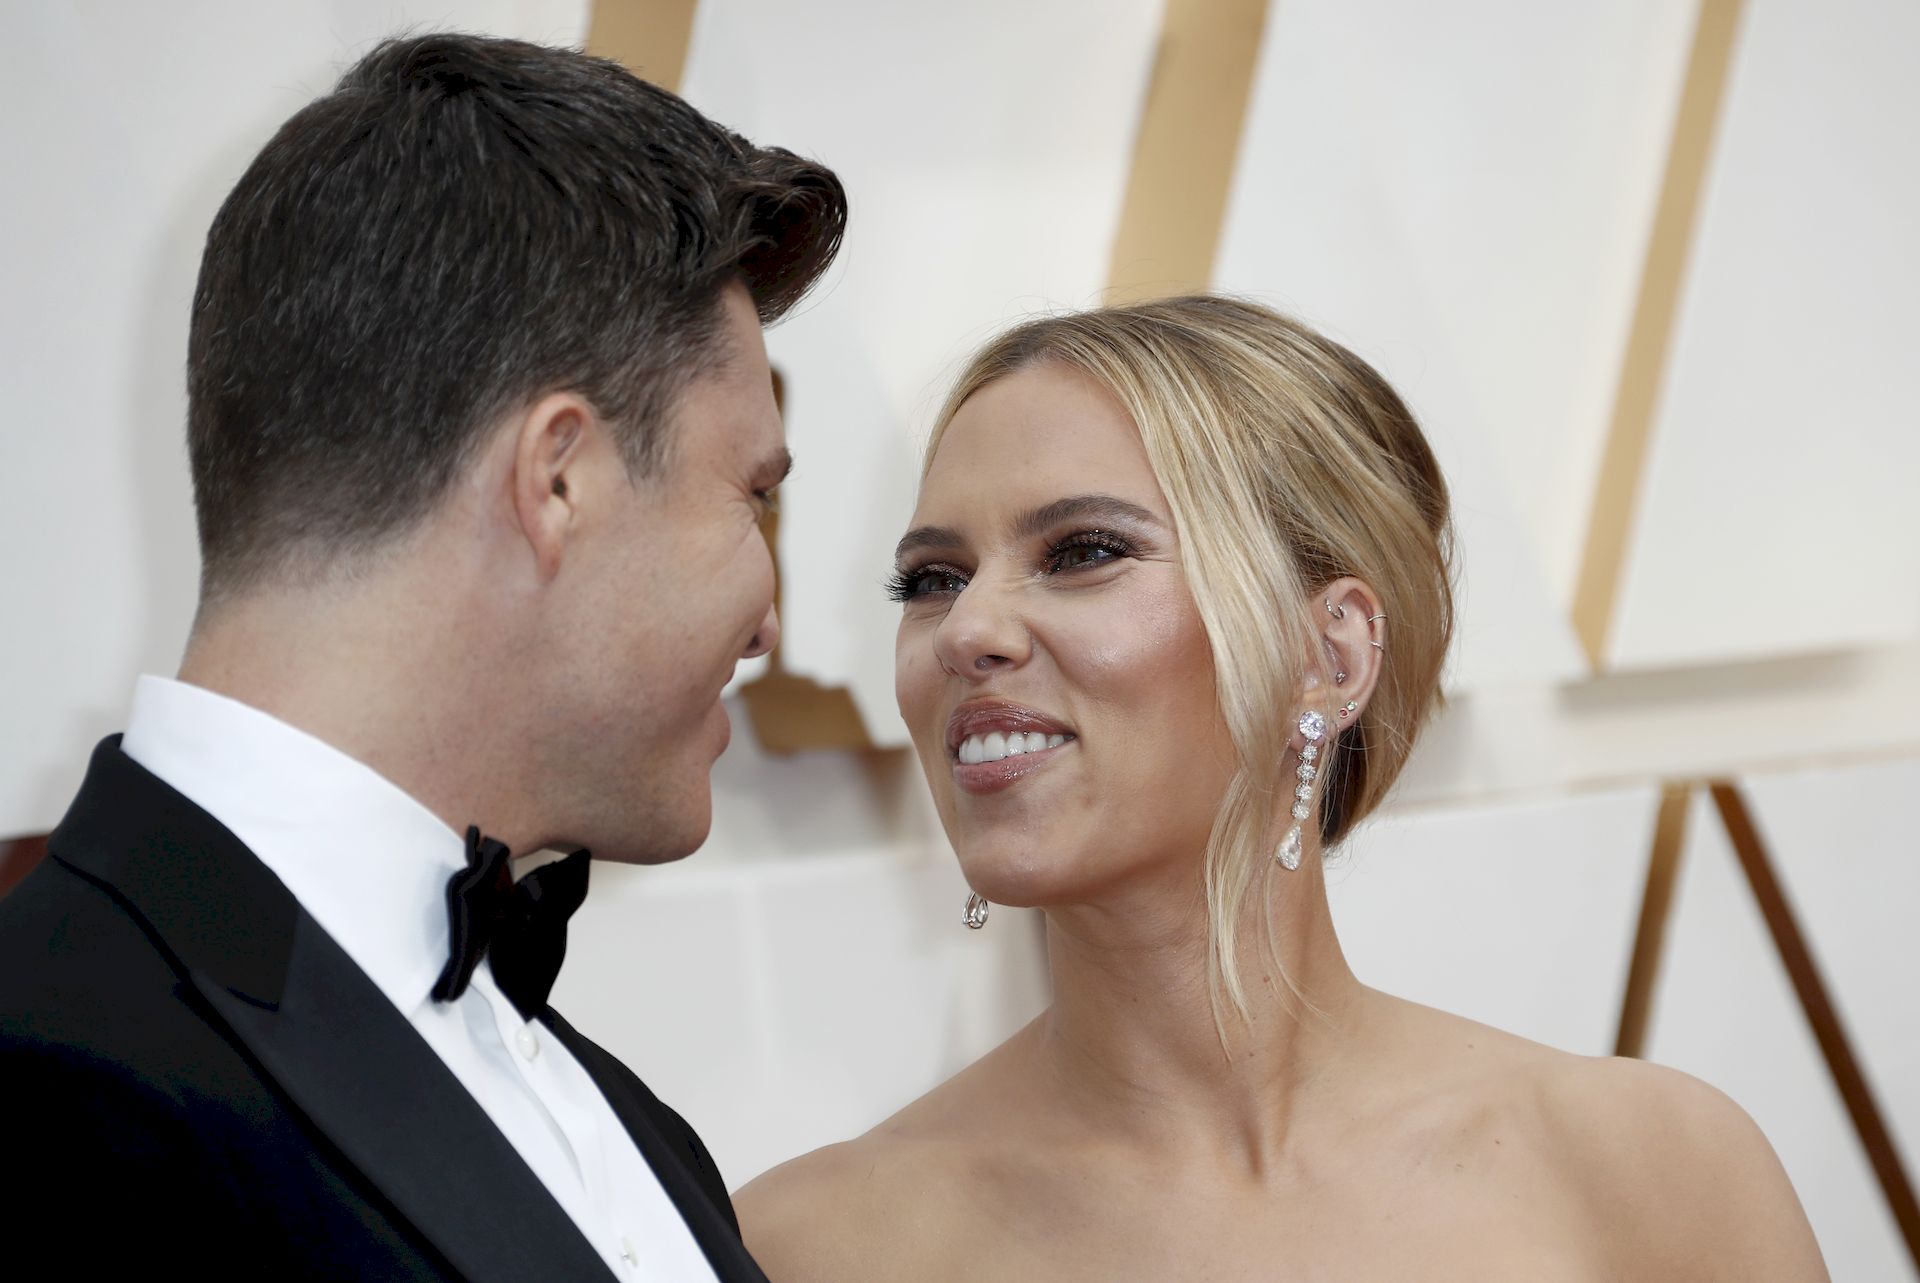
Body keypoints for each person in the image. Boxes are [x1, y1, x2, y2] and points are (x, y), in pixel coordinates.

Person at [734, 295, 1829, 1281]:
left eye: (1081, 551)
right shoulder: (809, 1245)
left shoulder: (1648, 1171)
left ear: (1332, 653)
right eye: (932, 578)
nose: (966, 629)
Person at [0, 32, 842, 1282]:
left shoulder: (621, 1120)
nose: (771, 618)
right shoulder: (52, 1091)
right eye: (752, 493)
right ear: (559, 477)